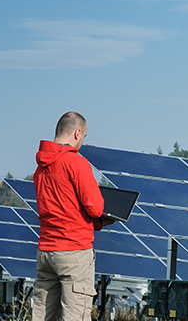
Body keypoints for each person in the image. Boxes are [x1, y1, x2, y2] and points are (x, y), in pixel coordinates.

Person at [32, 111, 112, 321]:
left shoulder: (41, 168)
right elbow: (95, 208)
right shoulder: (76, 163)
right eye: (84, 137)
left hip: (46, 251)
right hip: (74, 252)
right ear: (77, 133)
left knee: (42, 316)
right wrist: (102, 219)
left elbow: (61, 209)